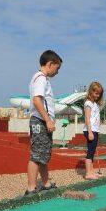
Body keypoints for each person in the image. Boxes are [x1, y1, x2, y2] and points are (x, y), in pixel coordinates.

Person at [26, 50, 62, 195]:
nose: (57, 72)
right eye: (57, 68)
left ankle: (46, 183)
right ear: (50, 64)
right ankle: (31, 188)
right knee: (36, 155)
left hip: (42, 121)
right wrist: (47, 119)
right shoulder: (40, 78)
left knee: (43, 154)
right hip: (40, 121)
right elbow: (37, 100)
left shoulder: (42, 79)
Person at [83, 81, 104, 180]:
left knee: (92, 151)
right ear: (91, 91)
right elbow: (87, 118)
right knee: (90, 152)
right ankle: (88, 173)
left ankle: (91, 172)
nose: (97, 95)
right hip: (90, 130)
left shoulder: (94, 103)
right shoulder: (88, 103)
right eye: (96, 93)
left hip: (94, 130)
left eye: (99, 94)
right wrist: (90, 132)